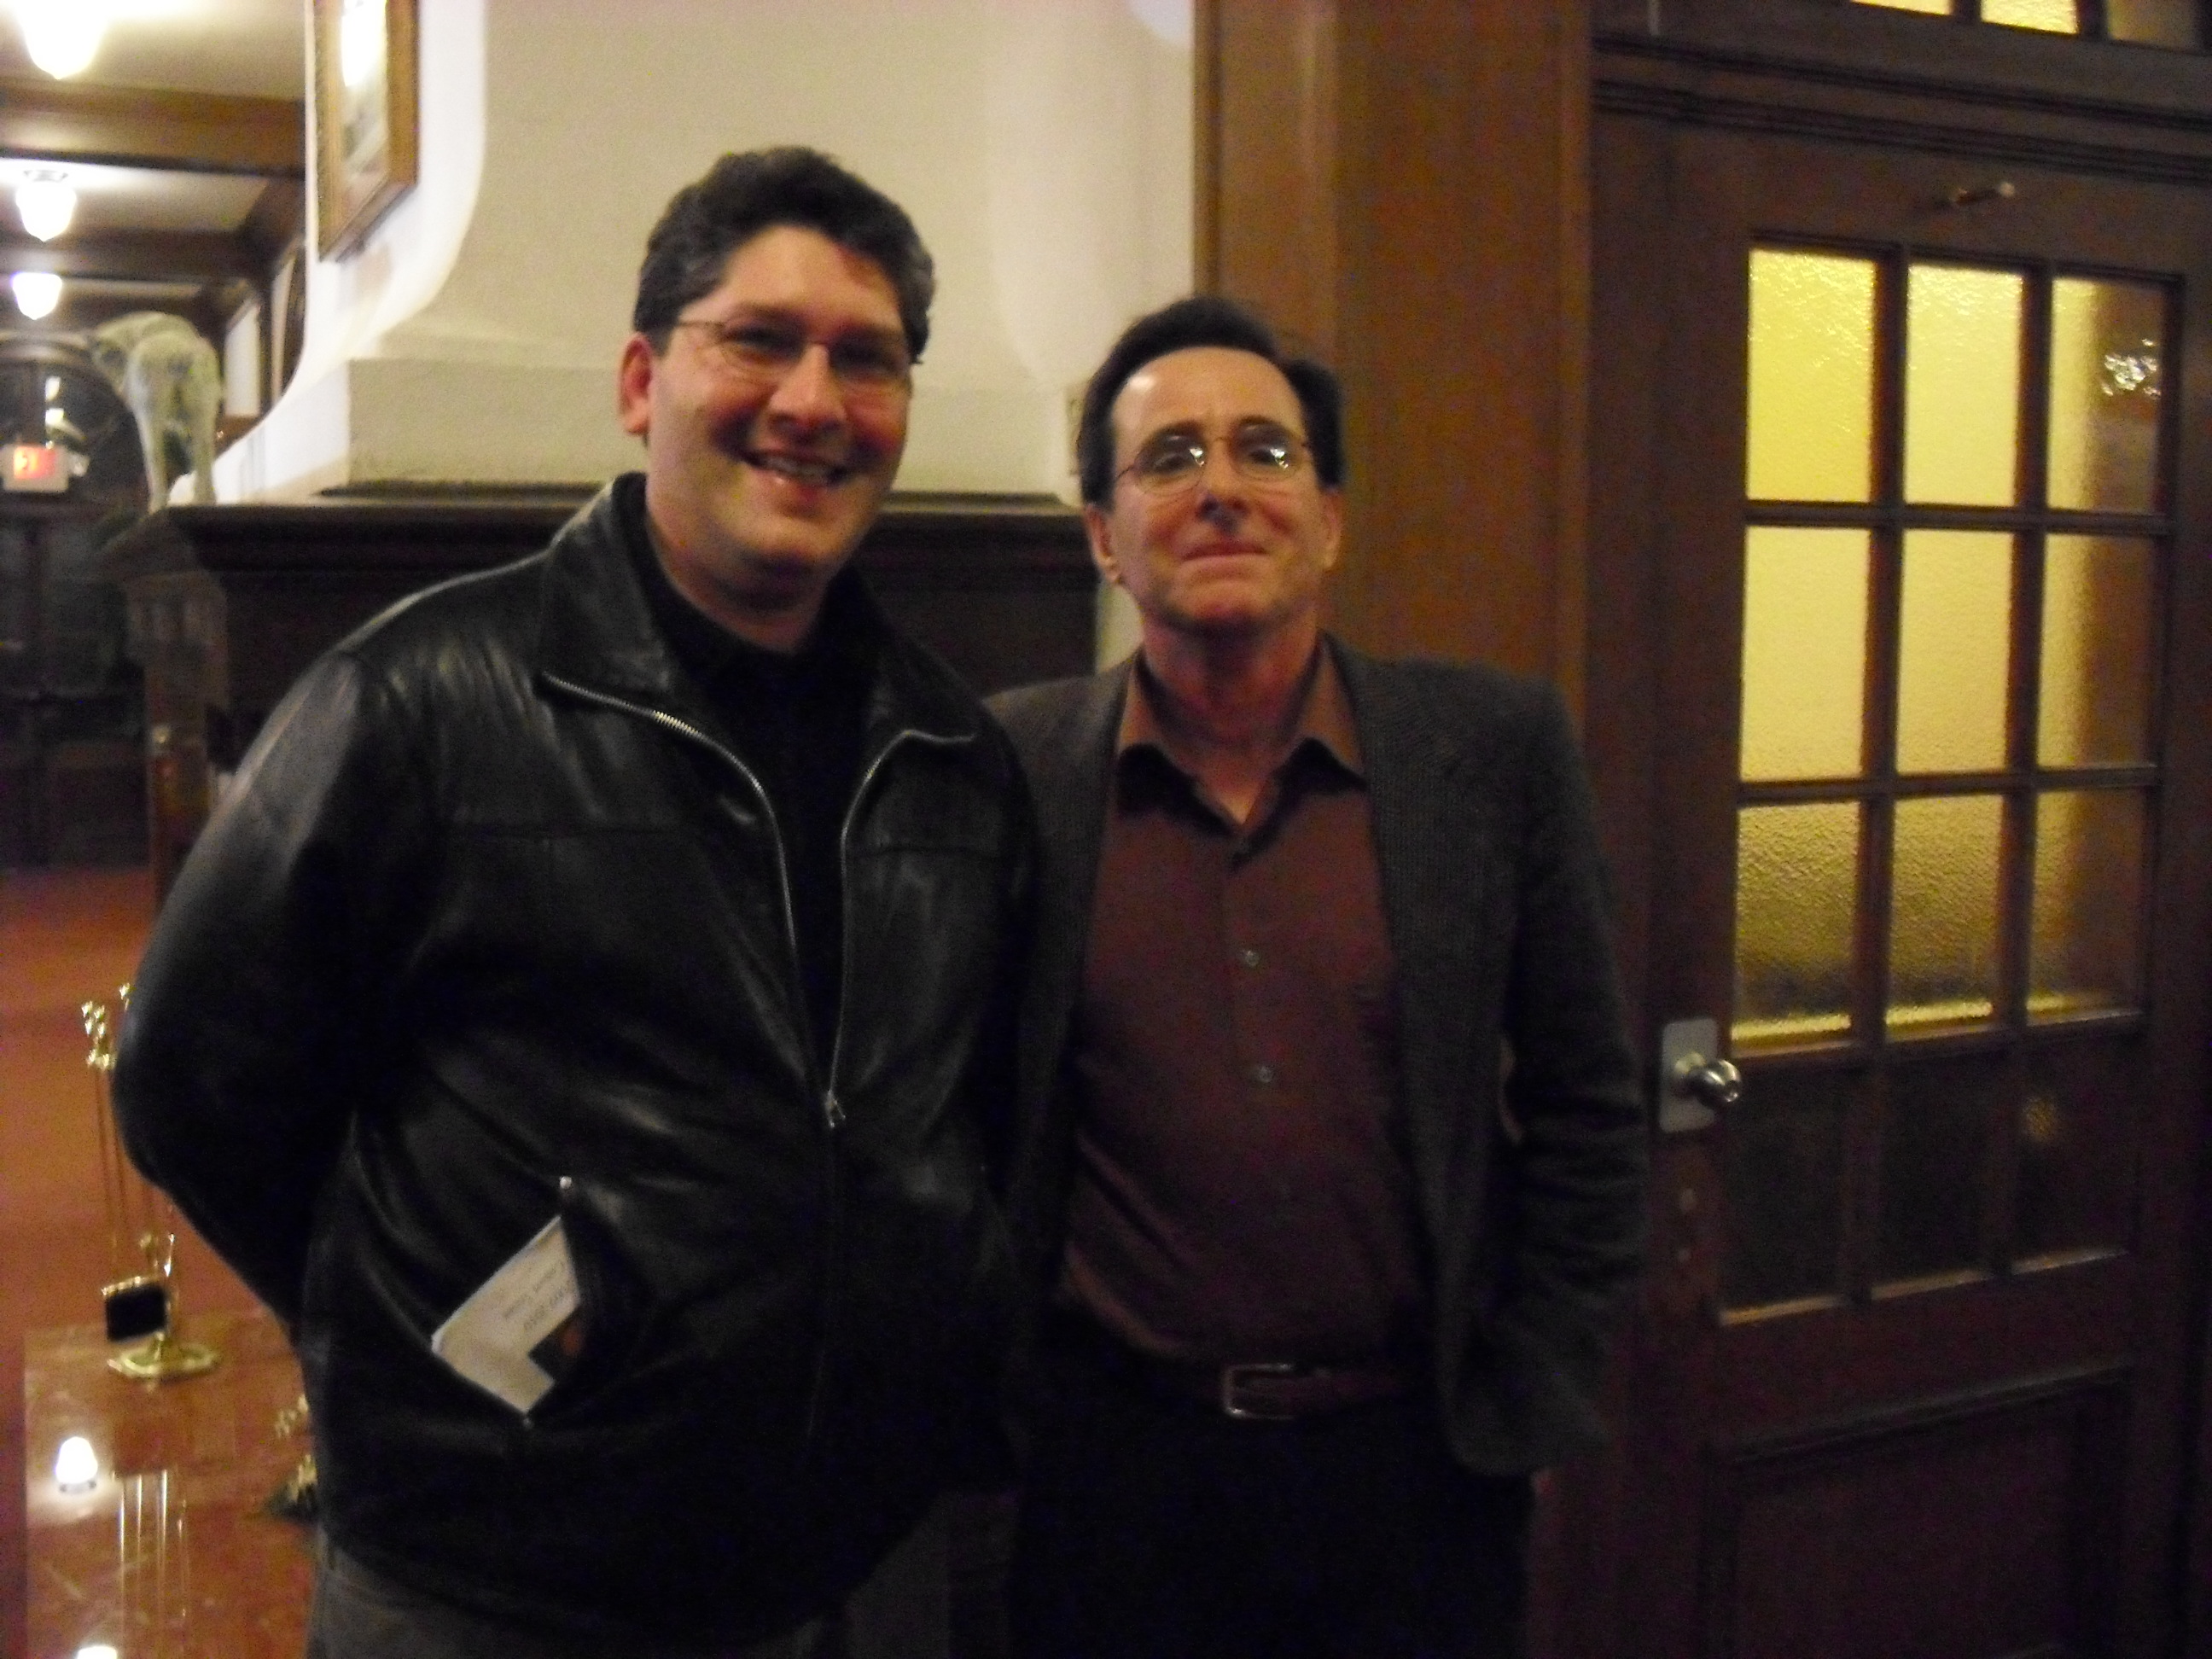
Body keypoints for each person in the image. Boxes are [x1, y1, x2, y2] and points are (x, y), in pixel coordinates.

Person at [114, 148, 1030, 1659]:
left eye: (867, 359)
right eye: (759, 340)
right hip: (492, 1583)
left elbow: (959, 1118)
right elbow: (189, 1082)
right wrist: (420, 1329)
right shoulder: (415, 701)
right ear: (640, 381)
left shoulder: (949, 753)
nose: (815, 401)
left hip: (844, 1570)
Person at [989, 294, 1650, 1659]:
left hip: (1413, 1475)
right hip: (1116, 1486)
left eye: (1266, 451)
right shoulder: (1012, 771)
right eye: (1171, 457)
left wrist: (1529, 1397)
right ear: (1104, 535)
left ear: (1330, 519)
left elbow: (1590, 1104)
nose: (1222, 487)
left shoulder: (1495, 752)